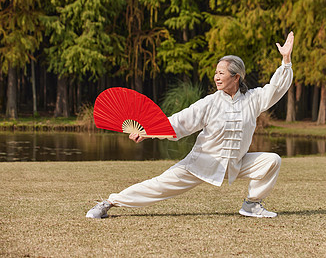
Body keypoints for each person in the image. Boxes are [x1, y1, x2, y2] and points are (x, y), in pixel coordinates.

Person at [86, 31, 294, 219]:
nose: (216, 77)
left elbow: (274, 89)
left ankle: (251, 204)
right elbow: (180, 122)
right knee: (159, 186)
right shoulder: (210, 103)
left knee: (271, 160)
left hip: (235, 165)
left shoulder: (253, 99)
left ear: (236, 77)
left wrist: (285, 60)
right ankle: (109, 202)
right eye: (216, 73)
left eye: (222, 73)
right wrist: (148, 132)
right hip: (201, 164)